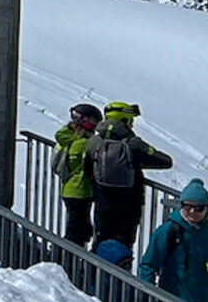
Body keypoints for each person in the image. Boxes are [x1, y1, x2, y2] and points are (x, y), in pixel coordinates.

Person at [138, 178, 208, 302]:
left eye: (198, 207)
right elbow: (148, 265)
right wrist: (147, 298)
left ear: (206, 208)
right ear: (181, 205)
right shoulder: (168, 231)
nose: (193, 211)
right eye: (188, 206)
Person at [87, 100, 172, 252]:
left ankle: (92, 273)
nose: (132, 125)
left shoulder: (94, 142)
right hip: (129, 204)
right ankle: (118, 274)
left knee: (101, 240)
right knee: (123, 245)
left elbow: (87, 169)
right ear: (123, 120)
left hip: (102, 201)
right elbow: (165, 161)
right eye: (130, 120)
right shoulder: (132, 144)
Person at [52, 103, 102, 247]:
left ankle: (69, 260)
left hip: (70, 188)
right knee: (76, 232)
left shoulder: (68, 139)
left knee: (80, 228)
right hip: (81, 191)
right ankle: (65, 262)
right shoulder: (84, 144)